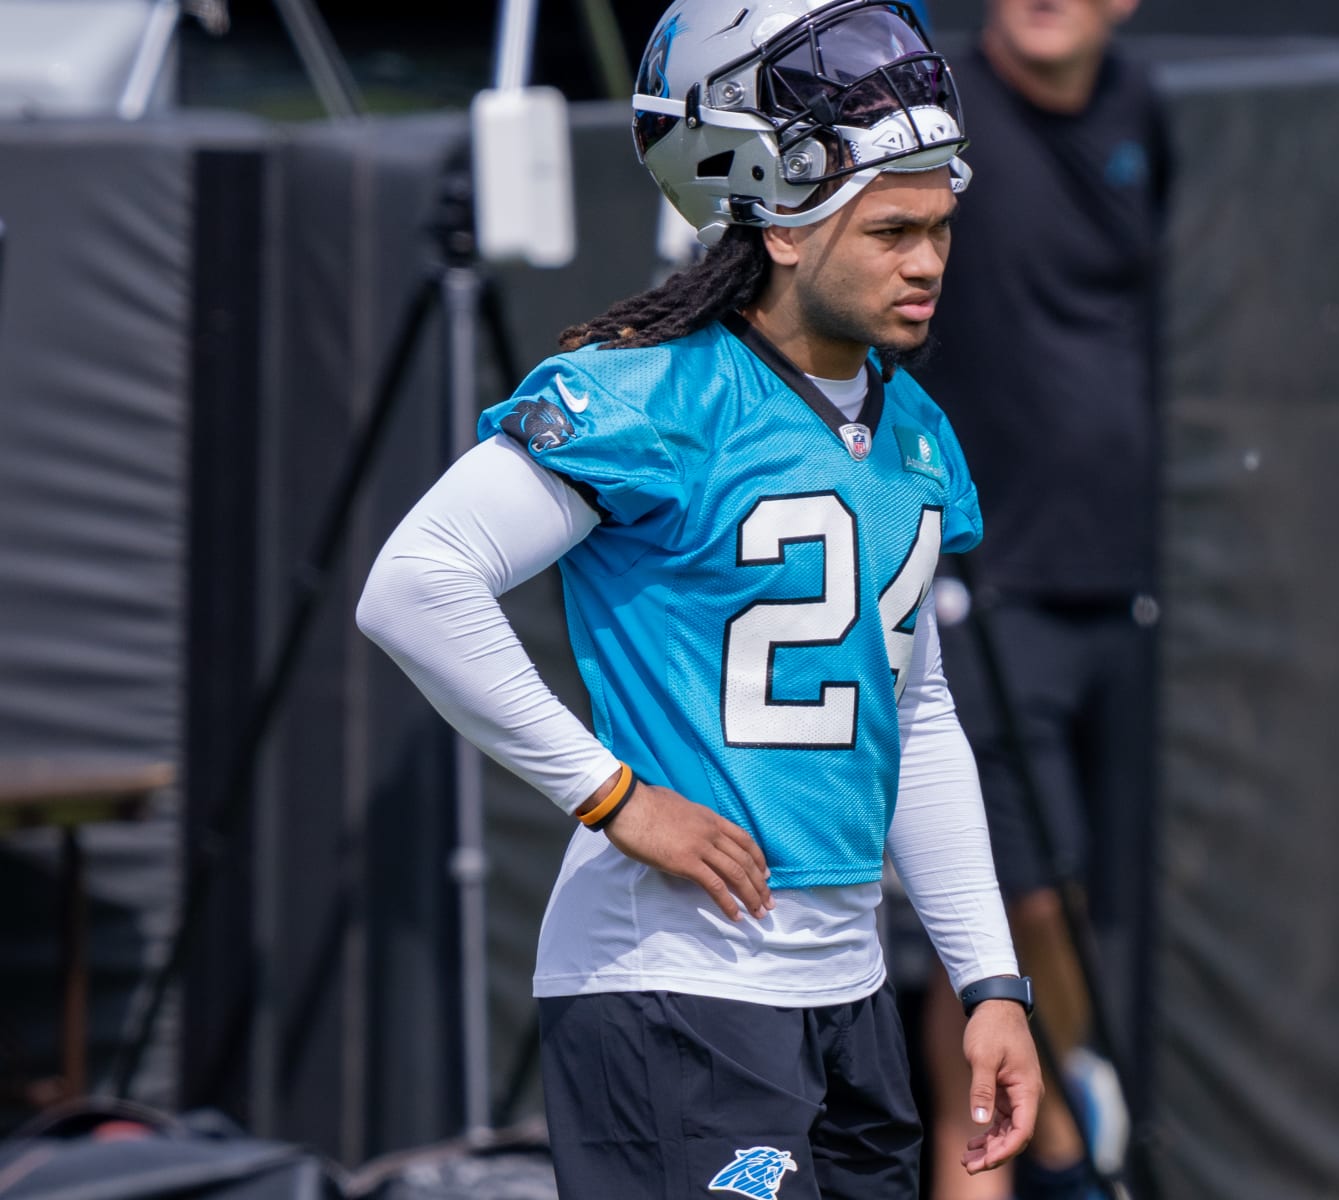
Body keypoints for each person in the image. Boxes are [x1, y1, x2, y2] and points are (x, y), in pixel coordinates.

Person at [355, 1, 1042, 1196]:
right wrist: (613, 798)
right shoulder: (655, 394)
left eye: (938, 228)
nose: (927, 261)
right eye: (889, 231)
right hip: (672, 985)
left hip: (846, 991)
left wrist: (990, 979)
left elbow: (915, 719)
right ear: (780, 226)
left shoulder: (914, 431)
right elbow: (415, 585)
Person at [908, 1, 1168, 1198]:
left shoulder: (1143, 116)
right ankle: (1042, 1154)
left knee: (1065, 912)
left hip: (1119, 592)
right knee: (1009, 911)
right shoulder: (930, 111)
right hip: (974, 592)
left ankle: (1059, 1122)